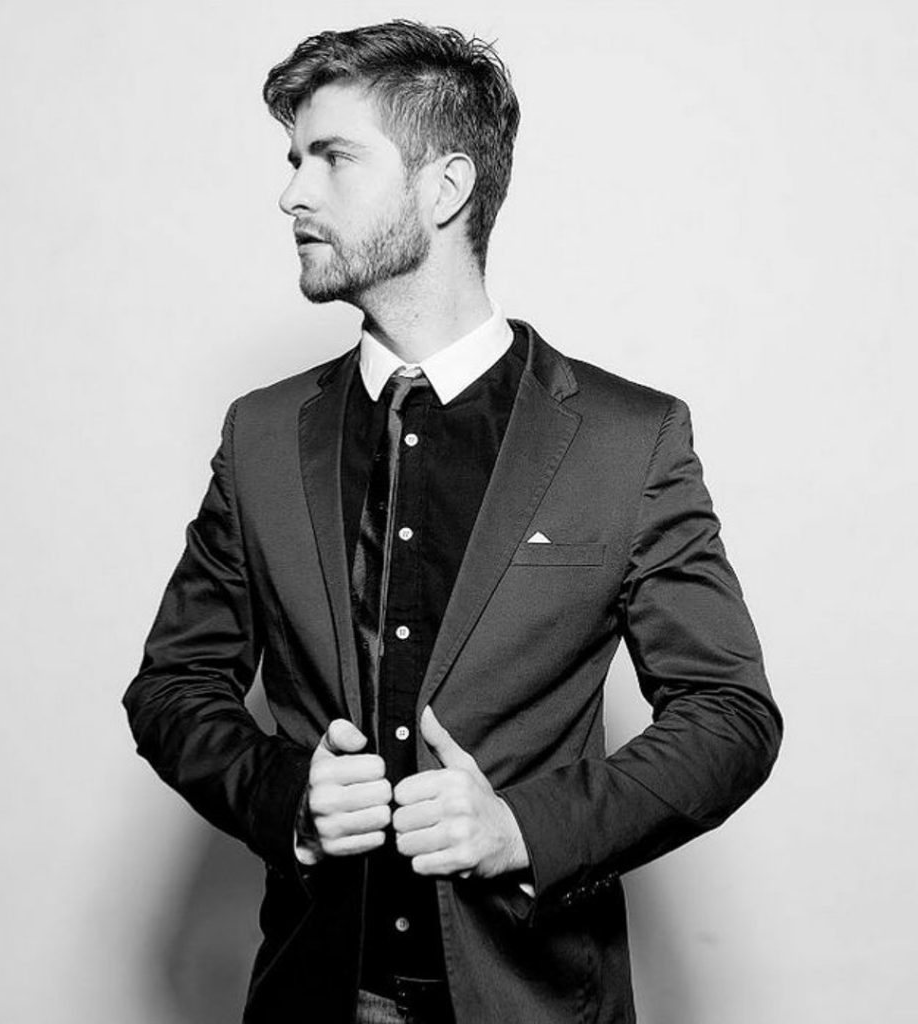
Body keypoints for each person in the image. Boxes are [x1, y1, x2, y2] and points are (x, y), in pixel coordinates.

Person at [123, 20, 782, 1024]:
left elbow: (730, 714)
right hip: (313, 996)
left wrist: (524, 828)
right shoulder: (260, 436)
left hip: (533, 998)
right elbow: (172, 685)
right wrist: (282, 794)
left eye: (332, 158)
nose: (292, 194)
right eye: (294, 161)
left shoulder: (627, 441)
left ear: (445, 188)